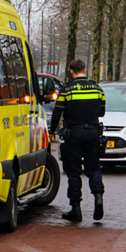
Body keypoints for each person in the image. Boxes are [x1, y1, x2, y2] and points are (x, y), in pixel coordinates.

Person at [49, 59, 105, 222]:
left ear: (71, 72)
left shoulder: (66, 90)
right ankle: (98, 197)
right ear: (85, 70)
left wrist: (53, 130)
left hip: (73, 133)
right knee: (94, 168)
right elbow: (102, 112)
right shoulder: (97, 89)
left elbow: (57, 112)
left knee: (73, 172)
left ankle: (76, 208)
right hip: (93, 133)